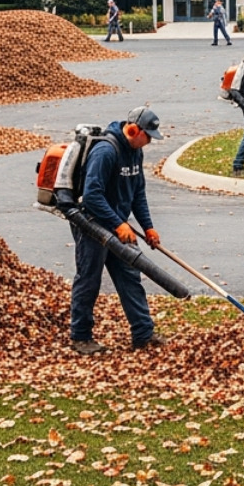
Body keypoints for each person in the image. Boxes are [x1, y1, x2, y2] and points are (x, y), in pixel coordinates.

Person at [69, 106, 166, 355]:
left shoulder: (135, 153)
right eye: (147, 137)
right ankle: (81, 337)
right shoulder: (105, 152)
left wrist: (148, 227)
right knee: (89, 279)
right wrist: (118, 224)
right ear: (134, 130)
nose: (148, 144)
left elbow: (138, 194)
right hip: (91, 223)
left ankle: (143, 333)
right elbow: (91, 196)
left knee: (130, 276)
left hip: (117, 225)